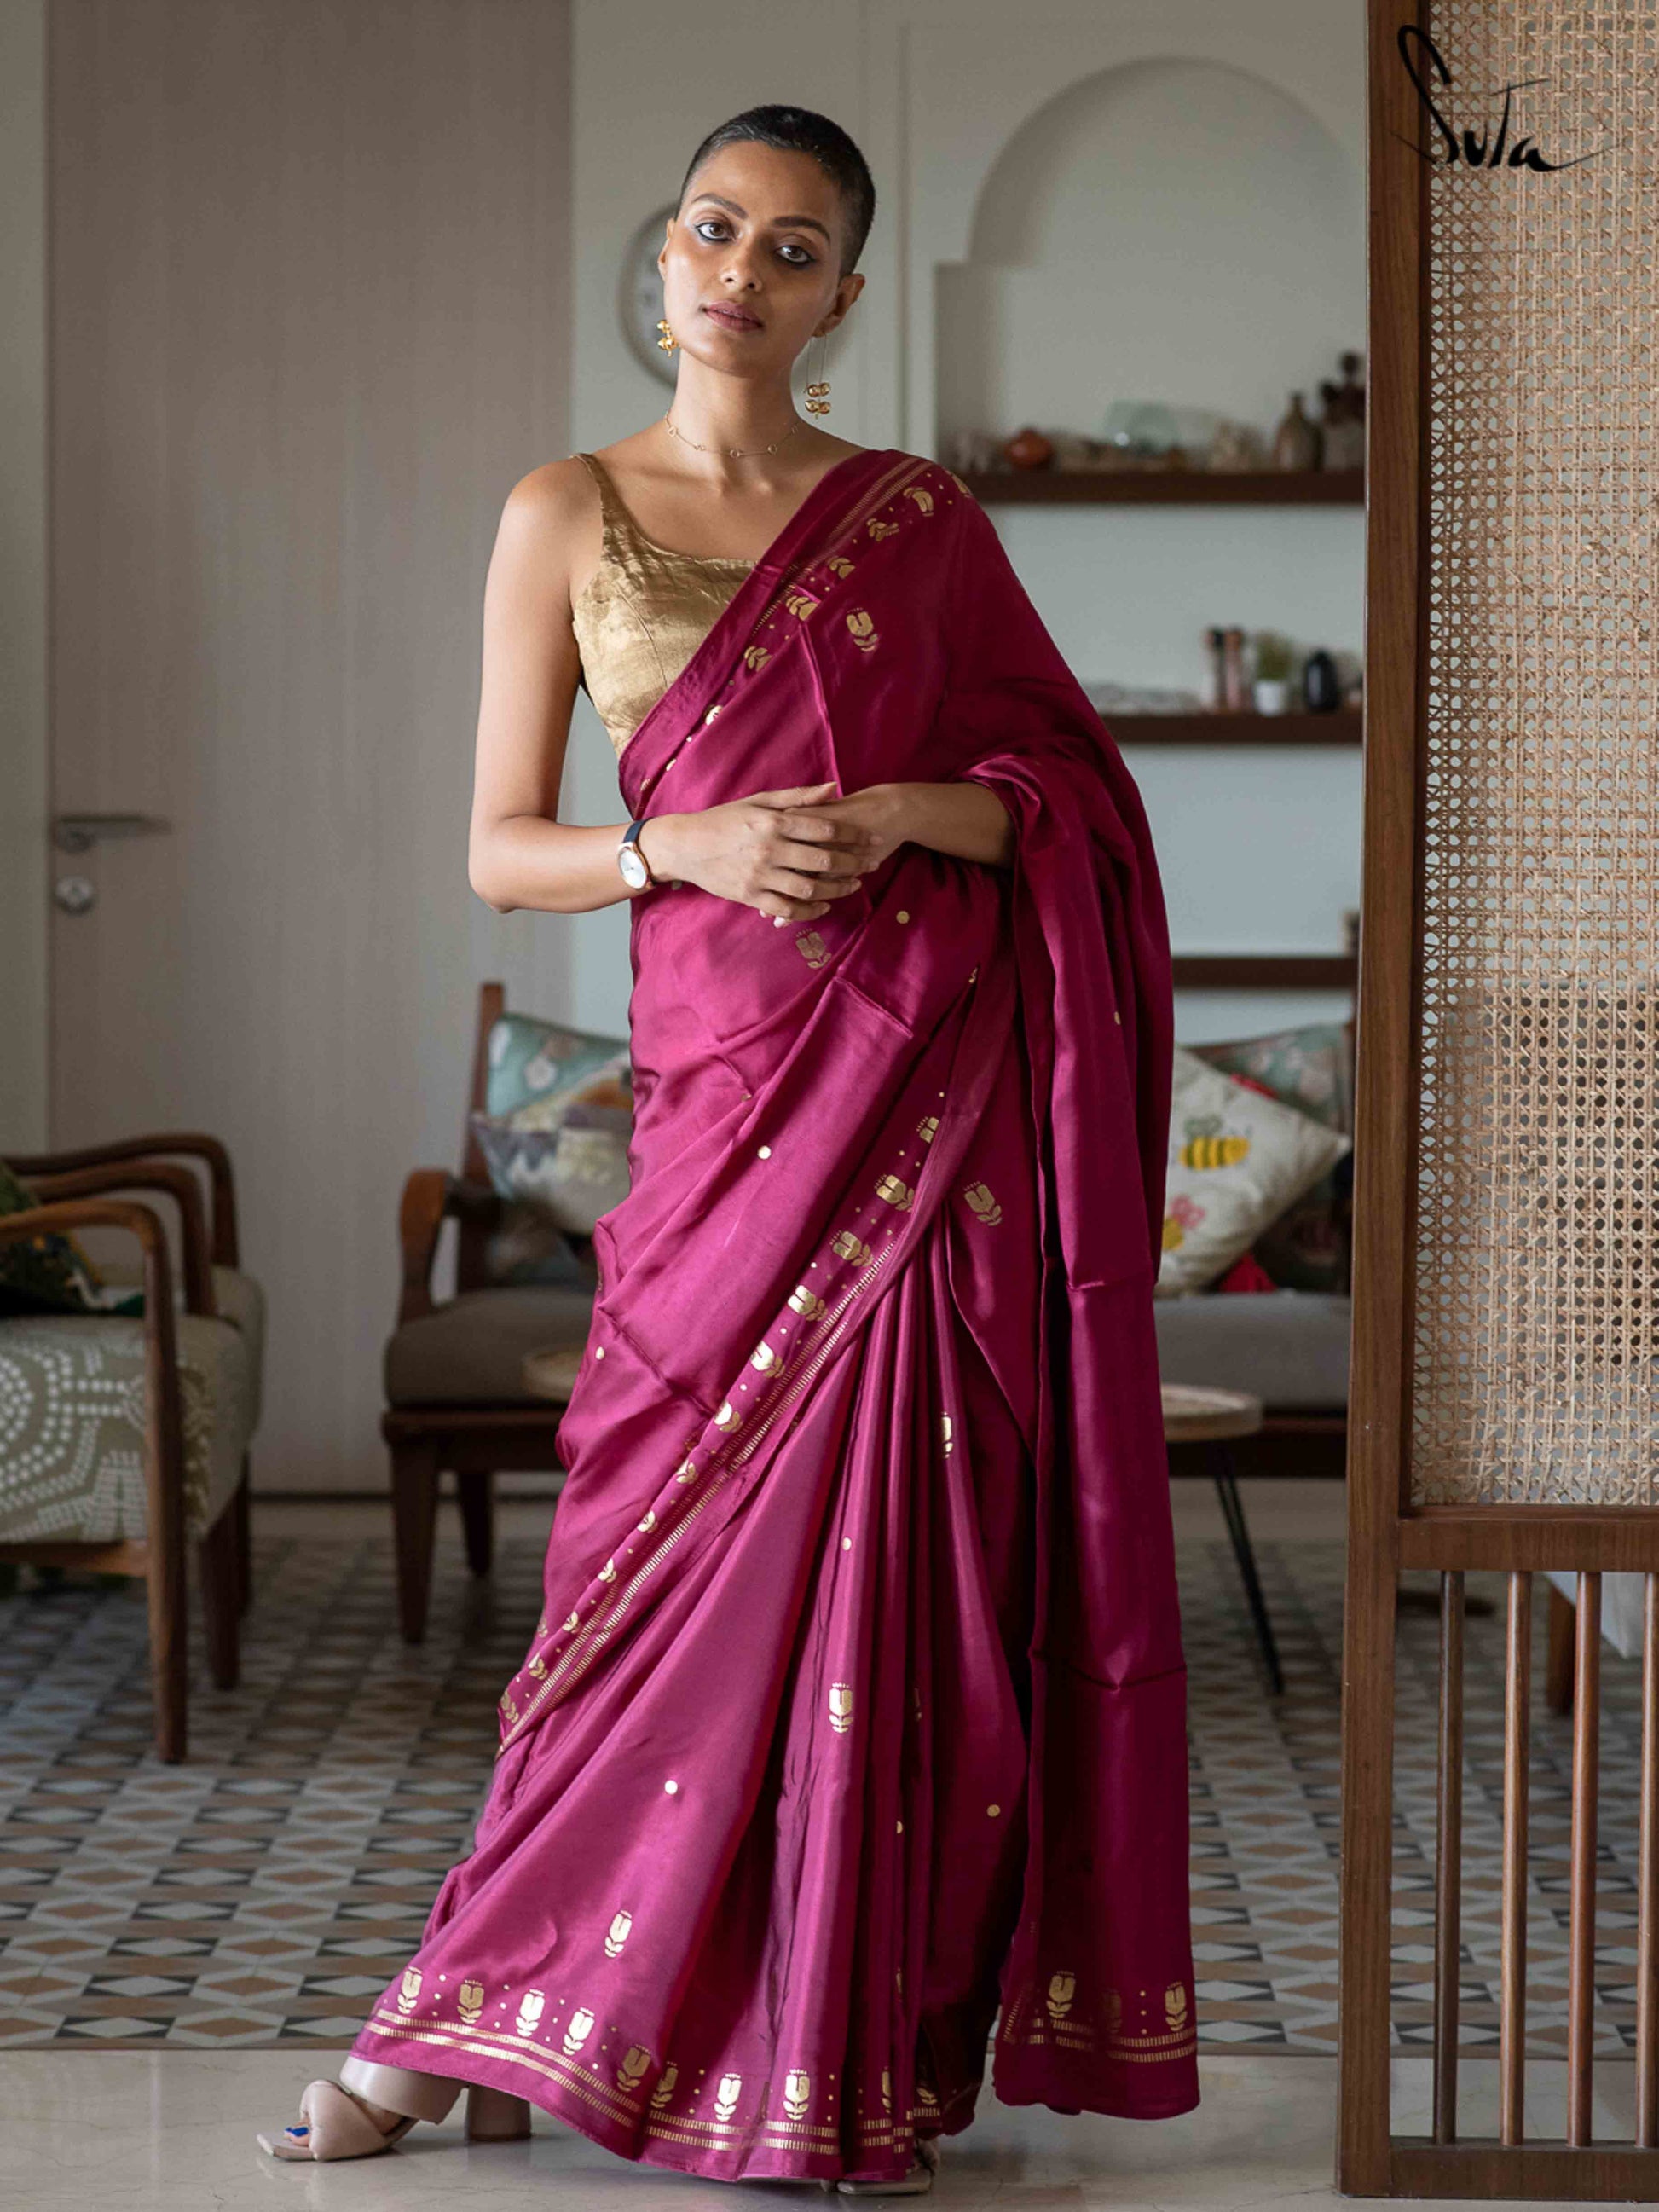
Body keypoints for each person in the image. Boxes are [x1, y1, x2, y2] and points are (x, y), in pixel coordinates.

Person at [257, 102, 1197, 2195]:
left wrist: (903, 814)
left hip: (916, 1122)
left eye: (790, 249)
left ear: (840, 295)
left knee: (911, 1592)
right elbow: (498, 846)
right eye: (713, 229)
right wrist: (671, 843)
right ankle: (458, 2015)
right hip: (718, 1113)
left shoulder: (919, 521)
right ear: (664, 252)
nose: (741, 273)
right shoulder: (566, 507)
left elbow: (1062, 789)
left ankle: (821, 2046)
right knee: (628, 1604)